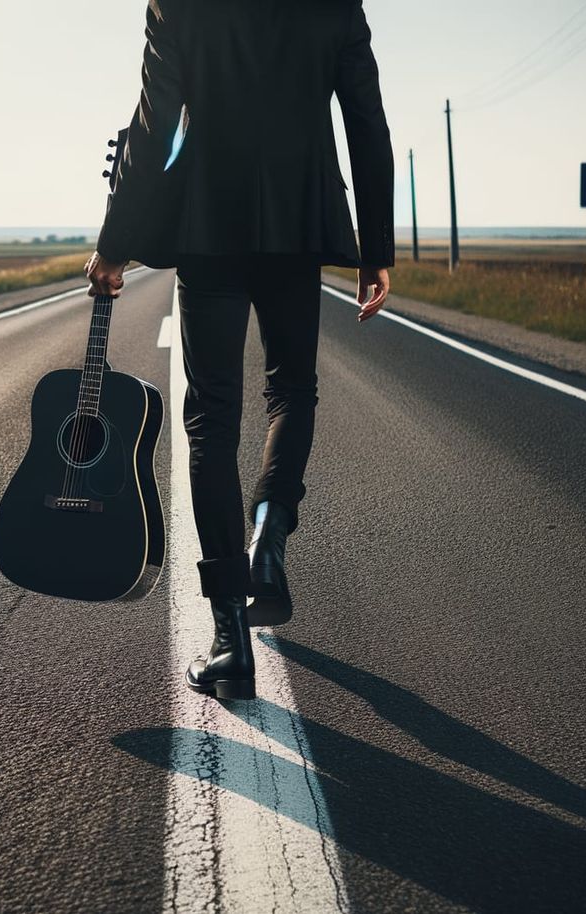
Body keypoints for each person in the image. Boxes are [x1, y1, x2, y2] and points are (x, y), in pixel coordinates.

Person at [85, 0, 393, 701]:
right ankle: (270, 526)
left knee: (212, 419)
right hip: (301, 211)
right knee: (292, 389)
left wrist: (115, 242)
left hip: (209, 220)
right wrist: (376, 246)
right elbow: (367, 121)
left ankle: (231, 641)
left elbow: (153, 118)